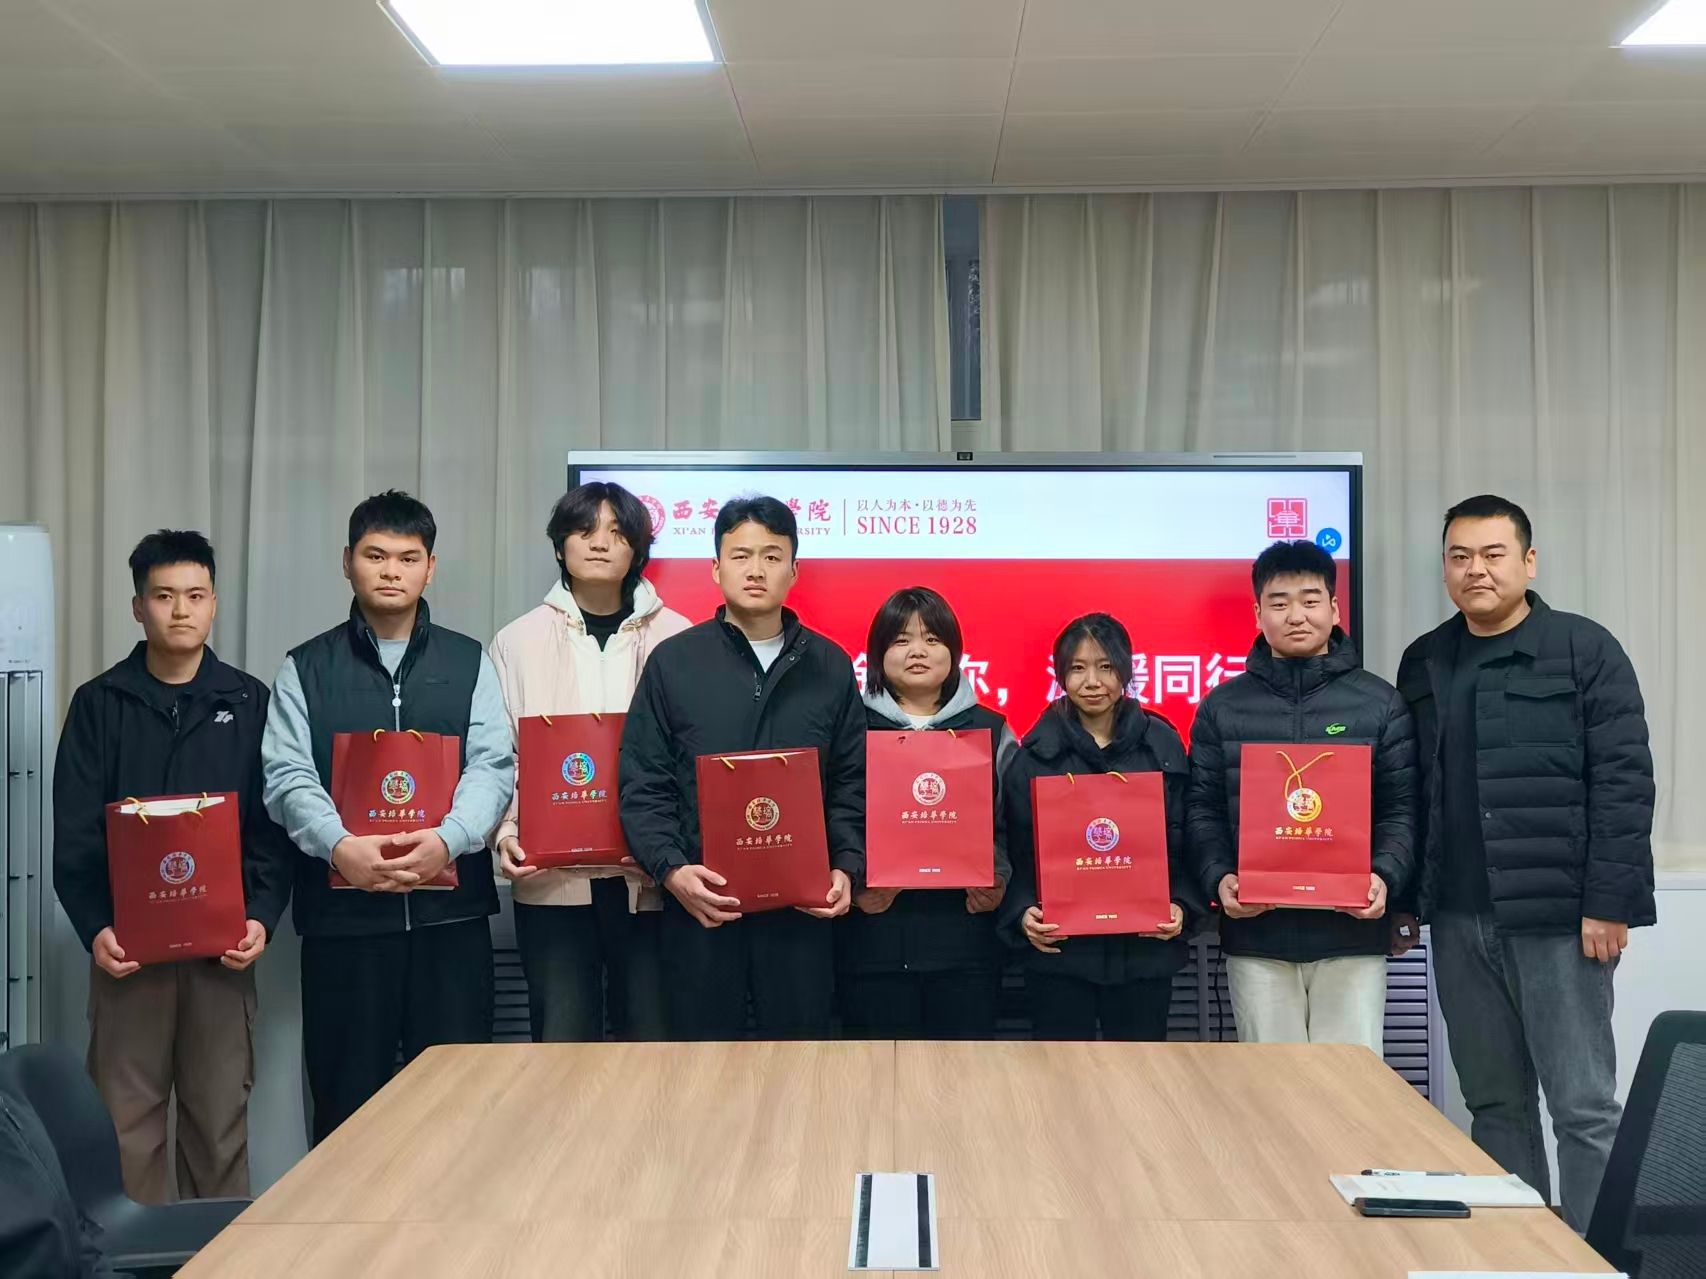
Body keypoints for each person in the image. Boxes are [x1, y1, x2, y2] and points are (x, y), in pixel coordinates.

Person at [1394, 494, 1655, 1231]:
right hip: (1457, 917)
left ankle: (1598, 1258)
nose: (1475, 569)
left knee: (1583, 1106)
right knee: (1495, 1104)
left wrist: (1609, 901)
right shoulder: (1425, 660)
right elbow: (1413, 789)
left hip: (1559, 919)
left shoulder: (1583, 649)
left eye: (1492, 554)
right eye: (1459, 556)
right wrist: (1408, 900)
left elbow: (1625, 781)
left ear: (1528, 561)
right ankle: (1521, 1254)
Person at [261, 491, 514, 1143]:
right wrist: (340, 846)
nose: (392, 571)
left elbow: (493, 765)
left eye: (408, 557)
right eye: (376, 556)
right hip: (344, 925)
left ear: (431, 567)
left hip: (450, 922)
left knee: (459, 1111)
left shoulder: (469, 660)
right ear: (347, 561)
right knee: (346, 1110)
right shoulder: (305, 667)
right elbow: (287, 775)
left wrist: (449, 840)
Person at [51, 530, 291, 1203]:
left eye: (195, 595)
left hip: (223, 954)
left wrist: (260, 917)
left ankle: (217, 1255)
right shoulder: (100, 703)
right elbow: (75, 833)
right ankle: (136, 1256)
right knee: (125, 1131)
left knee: (219, 1128)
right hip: (129, 955)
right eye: (163, 596)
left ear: (214, 603)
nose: (180, 610)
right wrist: (97, 927)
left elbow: (272, 830)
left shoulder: (249, 701)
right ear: (138, 607)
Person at [618, 495, 863, 1041]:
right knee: (702, 1068)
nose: (756, 570)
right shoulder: (673, 663)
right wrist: (672, 870)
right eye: (741, 555)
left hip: (803, 913)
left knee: (801, 1065)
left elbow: (852, 782)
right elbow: (644, 781)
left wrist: (846, 866)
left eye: (772, 557)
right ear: (716, 568)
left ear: (794, 571)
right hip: (702, 906)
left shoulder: (829, 666)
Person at [1188, 540, 1416, 1058]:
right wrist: (1219, 878)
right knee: (1270, 1089)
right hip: (1258, 937)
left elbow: (1401, 808)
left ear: (1334, 608)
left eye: (1310, 601)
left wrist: (1384, 875)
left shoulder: (1379, 703)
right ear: (1258, 613)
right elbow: (1201, 809)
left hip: (1351, 934)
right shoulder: (1222, 707)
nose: (1296, 615)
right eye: (1280, 602)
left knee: (1352, 1087)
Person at [487, 482, 690, 1042]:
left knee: (652, 1046)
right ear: (560, 546)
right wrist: (506, 834)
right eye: (585, 530)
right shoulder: (516, 641)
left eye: (618, 533)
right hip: (551, 884)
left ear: (638, 550)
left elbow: (689, 758)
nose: (600, 543)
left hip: (651, 884)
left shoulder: (679, 638)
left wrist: (673, 852)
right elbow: (499, 756)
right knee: (561, 1045)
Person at [999, 613, 1199, 1041]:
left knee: (1140, 1074)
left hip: (1144, 953)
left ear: (1125, 670)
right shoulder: (1033, 756)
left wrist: (1182, 905)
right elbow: (1012, 851)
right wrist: (1022, 912)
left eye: (1106, 666)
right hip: (1060, 955)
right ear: (1060, 676)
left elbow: (1186, 840)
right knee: (1060, 1074)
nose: (1092, 682)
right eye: (1077, 668)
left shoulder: (1161, 746)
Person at [839, 587, 1019, 1040]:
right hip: (873, 942)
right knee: (877, 1074)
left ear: (954, 652)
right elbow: (832, 816)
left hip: (966, 942)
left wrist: (997, 878)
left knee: (963, 1075)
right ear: (878, 654)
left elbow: (1013, 826)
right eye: (901, 640)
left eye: (932, 639)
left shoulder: (991, 730)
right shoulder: (851, 728)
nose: (917, 651)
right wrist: (854, 886)